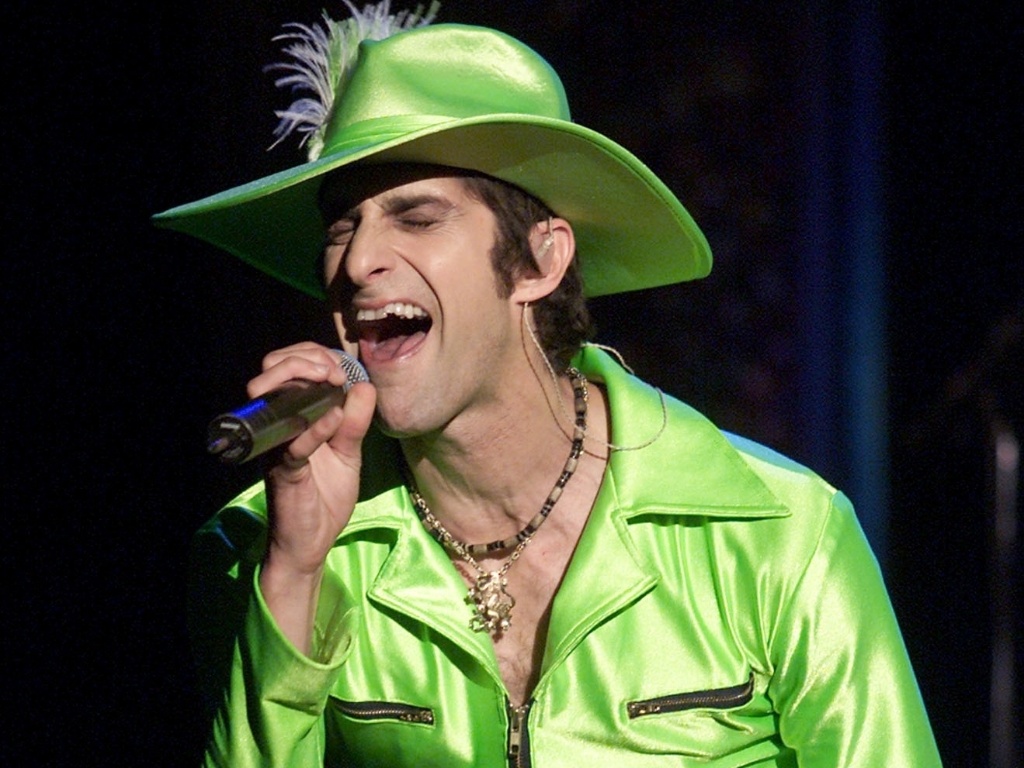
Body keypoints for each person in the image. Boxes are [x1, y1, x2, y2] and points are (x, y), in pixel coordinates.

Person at [155, 3, 942, 765]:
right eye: (340, 228)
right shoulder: (261, 547)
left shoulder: (778, 535)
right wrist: (294, 576)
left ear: (539, 261)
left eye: (417, 217)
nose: (358, 262)